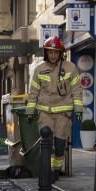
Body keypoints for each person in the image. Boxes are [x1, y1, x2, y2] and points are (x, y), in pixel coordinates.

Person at [26, 36, 83, 178]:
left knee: (59, 146)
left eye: (56, 52)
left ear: (61, 53)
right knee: (47, 144)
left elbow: (77, 90)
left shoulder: (70, 68)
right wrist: (30, 111)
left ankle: (56, 170)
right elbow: (33, 93)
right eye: (50, 52)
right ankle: (49, 172)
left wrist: (79, 110)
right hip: (45, 113)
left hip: (63, 114)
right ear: (46, 53)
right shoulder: (39, 70)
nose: (53, 55)